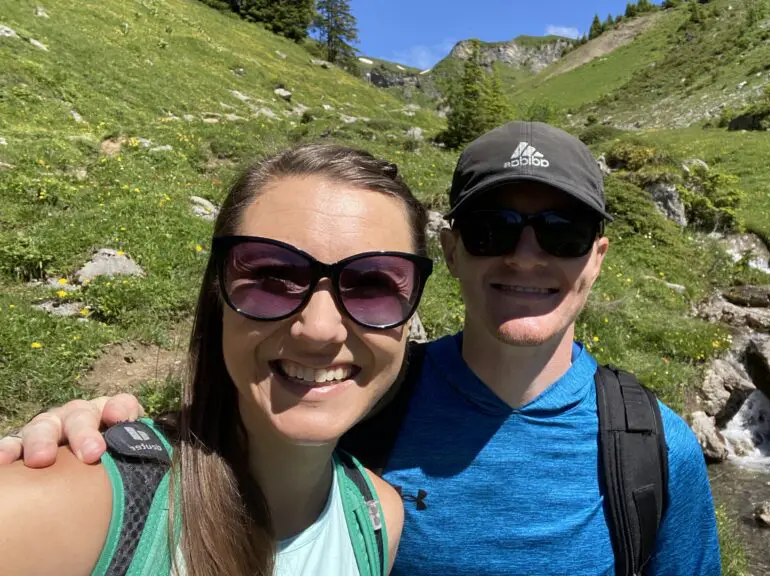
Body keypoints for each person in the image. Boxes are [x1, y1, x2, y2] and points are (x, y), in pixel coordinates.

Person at [2, 122, 722, 575]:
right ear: (452, 251)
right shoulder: (365, 397)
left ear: (595, 258)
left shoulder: (655, 451)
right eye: (493, 230)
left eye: (560, 234)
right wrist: (99, 450)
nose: (527, 258)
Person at [0, 144, 440, 575]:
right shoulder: (59, 511)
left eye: (373, 285)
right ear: (218, 296)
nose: (320, 328)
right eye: (272, 276)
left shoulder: (378, 519)